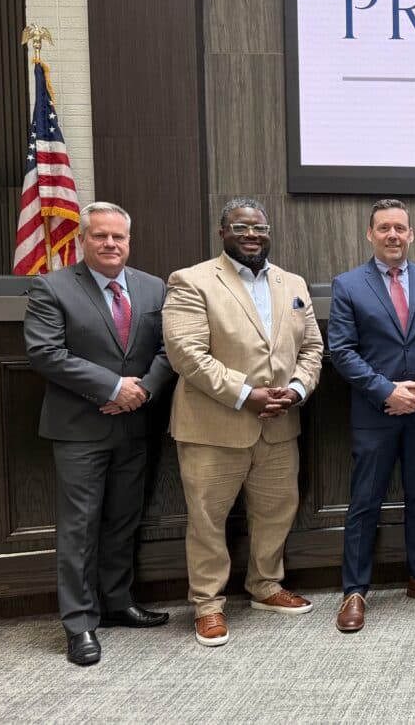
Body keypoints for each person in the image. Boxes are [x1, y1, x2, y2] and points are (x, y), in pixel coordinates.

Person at [163, 197, 323, 647]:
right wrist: (244, 394)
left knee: (276, 512)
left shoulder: (292, 283)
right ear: (223, 233)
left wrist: (296, 389)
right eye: (240, 227)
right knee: (207, 520)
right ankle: (208, 605)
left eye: (259, 228)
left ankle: (266, 585)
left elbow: (312, 348)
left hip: (279, 423)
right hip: (214, 426)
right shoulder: (191, 280)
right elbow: (186, 353)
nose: (252, 235)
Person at [23, 202, 175, 666]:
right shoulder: (52, 287)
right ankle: (79, 624)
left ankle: (116, 602)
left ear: (129, 241)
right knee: (80, 528)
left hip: (135, 423)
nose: (111, 244)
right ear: (82, 239)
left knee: (123, 520)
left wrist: (141, 391)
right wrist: (112, 387)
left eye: (118, 237)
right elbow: (45, 352)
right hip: (80, 428)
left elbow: (169, 349)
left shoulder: (153, 287)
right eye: (100, 236)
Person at [327, 199, 415, 633]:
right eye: (384, 228)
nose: (393, 235)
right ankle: (354, 591)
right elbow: (341, 350)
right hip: (376, 411)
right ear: (371, 234)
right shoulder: (348, 285)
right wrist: (387, 391)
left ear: (411, 234)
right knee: (365, 501)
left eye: (400, 228)